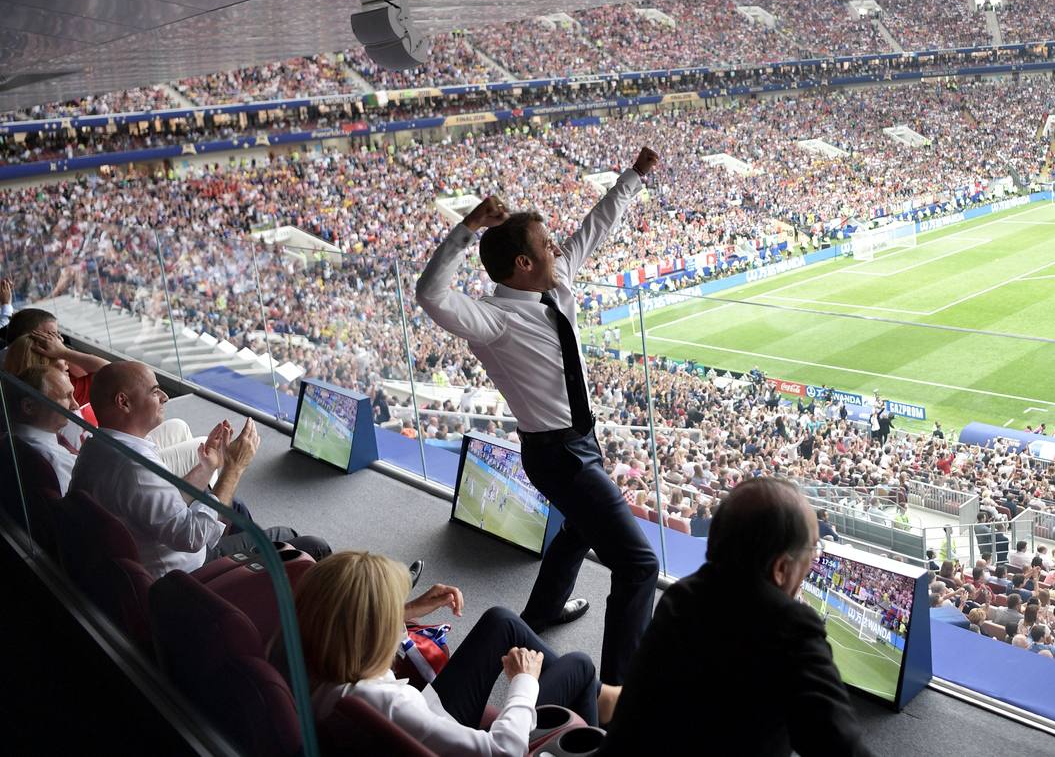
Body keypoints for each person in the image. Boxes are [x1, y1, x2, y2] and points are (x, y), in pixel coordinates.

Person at [416, 147, 661, 685]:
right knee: (640, 565)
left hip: (581, 442)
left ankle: (544, 610)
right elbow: (430, 294)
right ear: (523, 264)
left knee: (579, 528)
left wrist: (634, 176)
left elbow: (595, 228)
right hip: (555, 455)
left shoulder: (555, 284)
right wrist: (467, 229)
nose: (559, 249)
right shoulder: (493, 320)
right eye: (548, 245)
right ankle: (620, 694)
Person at [599, 477, 875, 757]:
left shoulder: (680, 597)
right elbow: (840, 746)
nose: (812, 561)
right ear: (781, 568)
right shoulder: (791, 628)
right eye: (812, 550)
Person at [300, 551, 618, 757]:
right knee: (579, 665)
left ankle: (600, 696)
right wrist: (524, 683)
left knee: (500, 621)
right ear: (369, 632)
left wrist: (408, 609)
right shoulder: (392, 706)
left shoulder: (314, 660)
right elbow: (503, 751)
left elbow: (348, 624)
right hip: (454, 733)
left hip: (431, 716)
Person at [69, 361, 329, 578]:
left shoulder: (96, 448)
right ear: (123, 402)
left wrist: (209, 465)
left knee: (235, 508)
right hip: (188, 575)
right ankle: (258, 575)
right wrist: (233, 468)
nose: (165, 397)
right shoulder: (135, 468)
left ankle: (260, 564)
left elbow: (160, 502)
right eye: (155, 391)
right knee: (307, 544)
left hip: (152, 558)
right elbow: (192, 537)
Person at [7, 365, 79, 493]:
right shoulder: (54, 462)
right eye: (66, 396)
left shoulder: (10, 436)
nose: (75, 405)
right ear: (29, 406)